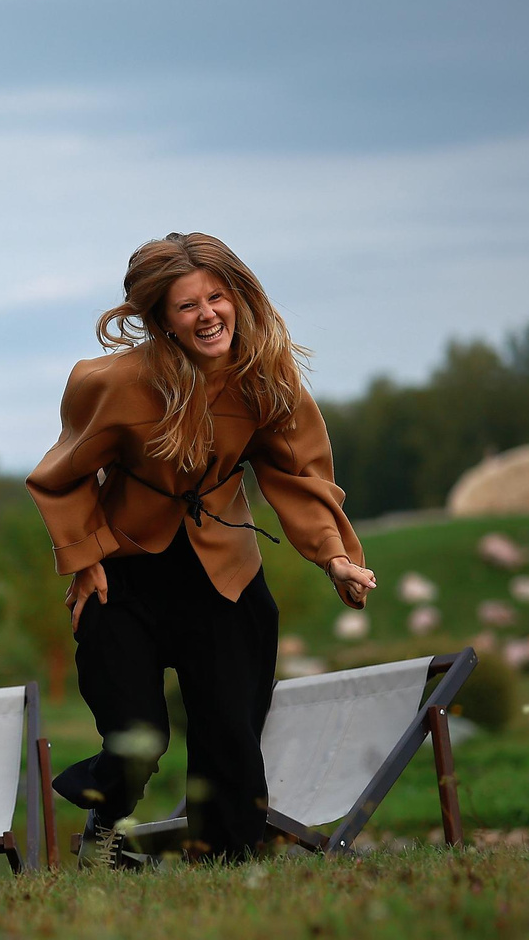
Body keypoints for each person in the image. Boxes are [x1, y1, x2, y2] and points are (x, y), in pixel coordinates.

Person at [28, 232, 376, 863]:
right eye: (187, 305)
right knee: (137, 737)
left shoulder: (265, 378)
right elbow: (63, 476)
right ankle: (102, 831)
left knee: (230, 733)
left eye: (217, 297)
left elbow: (297, 474)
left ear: (238, 299)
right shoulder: (110, 383)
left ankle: (229, 863)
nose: (208, 314)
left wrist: (334, 554)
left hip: (225, 571)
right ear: (161, 318)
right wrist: (84, 562)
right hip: (126, 573)